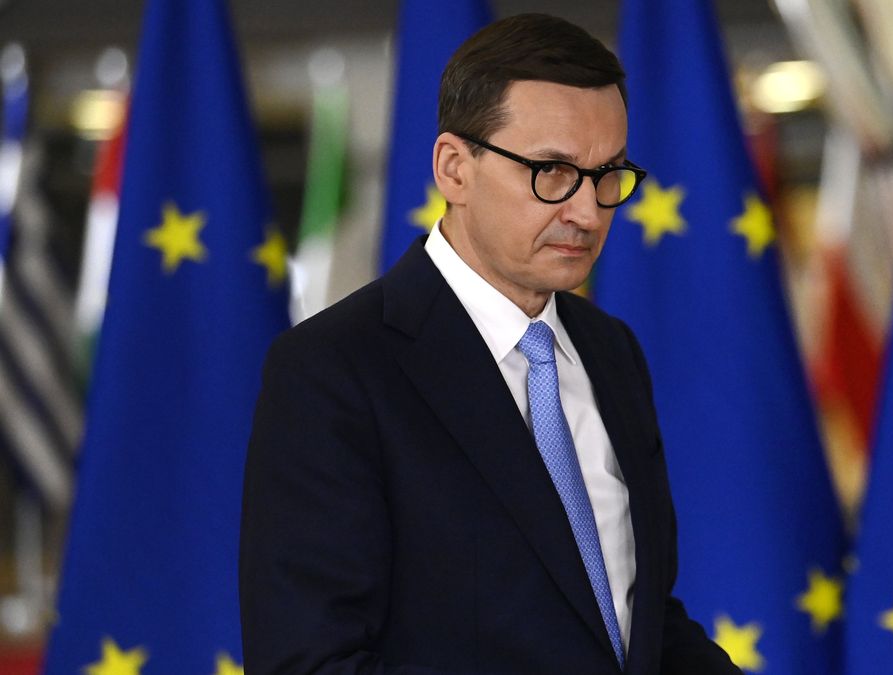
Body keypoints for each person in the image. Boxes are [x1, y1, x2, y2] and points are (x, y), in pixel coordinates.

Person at [240, 13, 742, 675]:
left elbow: (639, 626)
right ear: (454, 168)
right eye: (553, 171)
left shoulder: (611, 351)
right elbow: (310, 663)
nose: (588, 212)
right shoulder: (333, 371)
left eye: (608, 175)